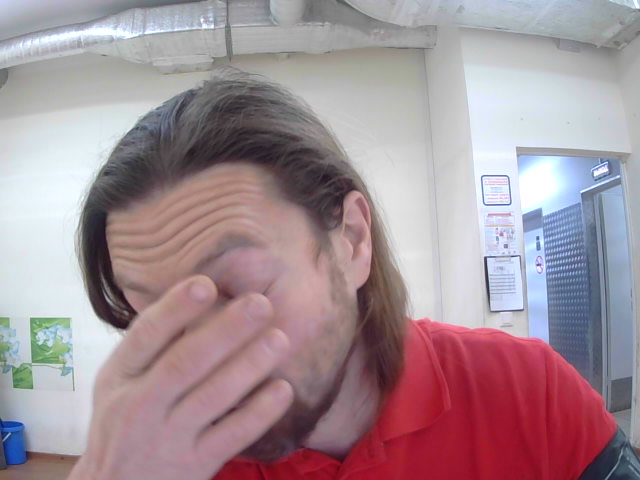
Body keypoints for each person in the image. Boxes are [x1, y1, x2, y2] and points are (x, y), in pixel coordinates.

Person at [69, 68, 639, 480]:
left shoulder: (527, 390)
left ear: (353, 239)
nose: (198, 364)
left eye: (241, 291)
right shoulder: (178, 460)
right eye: (154, 317)